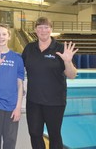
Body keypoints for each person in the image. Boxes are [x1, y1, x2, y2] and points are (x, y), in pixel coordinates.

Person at [22, 16, 78, 149]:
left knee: (54, 135)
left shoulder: (60, 48)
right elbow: (19, 70)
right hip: (34, 101)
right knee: (34, 134)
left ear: (51, 29)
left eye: (46, 27)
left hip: (55, 102)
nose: (43, 30)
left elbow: (72, 75)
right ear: (35, 30)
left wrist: (67, 61)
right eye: (40, 27)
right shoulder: (29, 48)